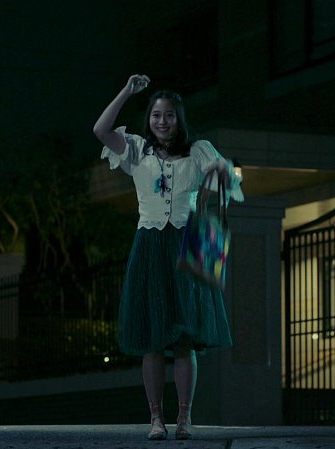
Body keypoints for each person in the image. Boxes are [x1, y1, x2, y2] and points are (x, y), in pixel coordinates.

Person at [93, 74, 243, 440]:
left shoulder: (198, 150)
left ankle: (185, 418)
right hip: (149, 245)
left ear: (179, 119)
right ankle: (156, 419)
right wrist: (127, 91)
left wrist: (221, 170)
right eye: (157, 115)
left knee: (185, 338)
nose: (163, 121)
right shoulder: (135, 150)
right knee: (153, 338)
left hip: (185, 243)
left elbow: (226, 179)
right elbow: (100, 130)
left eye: (170, 115)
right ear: (149, 119)